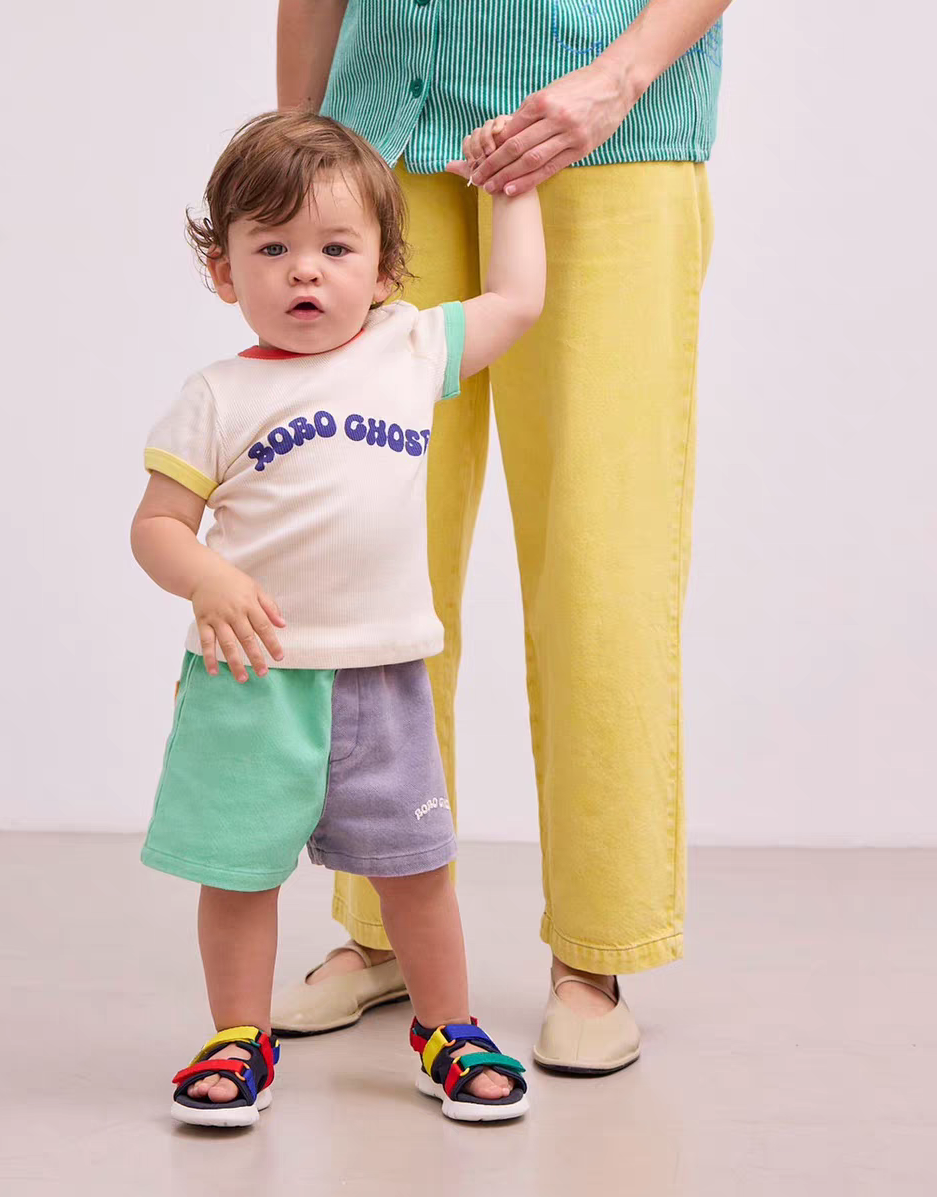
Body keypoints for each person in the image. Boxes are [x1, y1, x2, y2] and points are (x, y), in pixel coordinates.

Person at [271, 0, 730, 1076]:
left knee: (599, 561)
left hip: (601, 136)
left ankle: (595, 955)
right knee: (377, 558)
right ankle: (383, 927)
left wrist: (619, 77)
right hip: (384, 140)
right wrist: (298, 149)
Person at [131, 110, 545, 1126]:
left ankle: (447, 1029)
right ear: (224, 272)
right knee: (240, 876)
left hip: (384, 679)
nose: (304, 272)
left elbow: (518, 302)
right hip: (252, 680)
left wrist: (513, 192)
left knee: (418, 873)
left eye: (335, 249)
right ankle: (236, 1038)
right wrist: (207, 579)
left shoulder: (409, 349)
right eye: (271, 249)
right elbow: (156, 527)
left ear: (386, 270)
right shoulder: (217, 396)